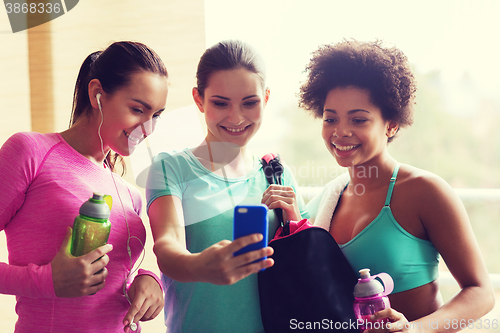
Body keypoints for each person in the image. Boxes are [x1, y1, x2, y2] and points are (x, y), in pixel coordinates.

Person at [300, 39, 495, 331]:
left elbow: (481, 292)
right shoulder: (325, 201)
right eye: (331, 118)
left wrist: (415, 329)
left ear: (391, 124)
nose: (340, 131)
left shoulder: (425, 192)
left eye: (358, 119)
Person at [0, 41, 168, 333]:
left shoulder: (129, 194)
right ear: (97, 95)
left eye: (155, 116)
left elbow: (114, 279)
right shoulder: (31, 152)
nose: (148, 128)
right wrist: (46, 281)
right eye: (138, 109)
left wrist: (147, 280)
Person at [146, 39, 308, 333]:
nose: (236, 118)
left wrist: (295, 220)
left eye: (250, 102)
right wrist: (200, 266)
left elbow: (305, 269)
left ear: (266, 98)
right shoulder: (170, 168)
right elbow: (166, 247)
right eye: (220, 103)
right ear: (198, 99)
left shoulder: (277, 174)